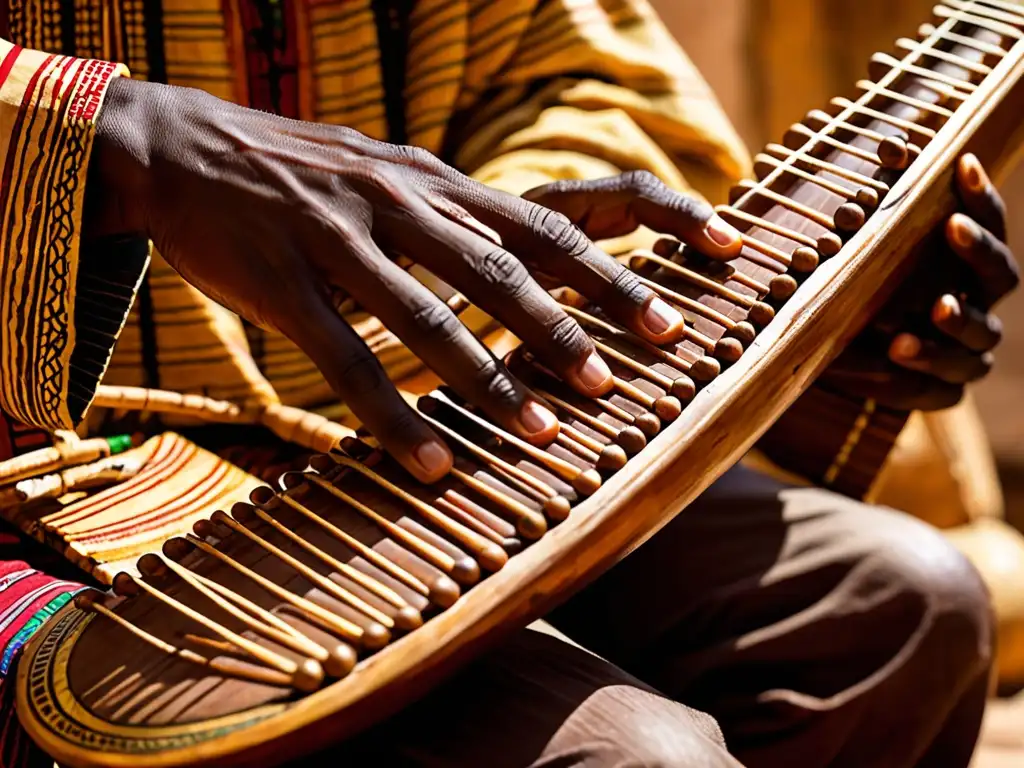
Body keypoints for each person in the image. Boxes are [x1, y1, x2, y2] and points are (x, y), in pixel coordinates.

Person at [0, 1, 1017, 766]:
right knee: (632, 759)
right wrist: (118, 142)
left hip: (388, 424)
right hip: (36, 489)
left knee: (900, 604)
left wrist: (477, 242)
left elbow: (577, 74)